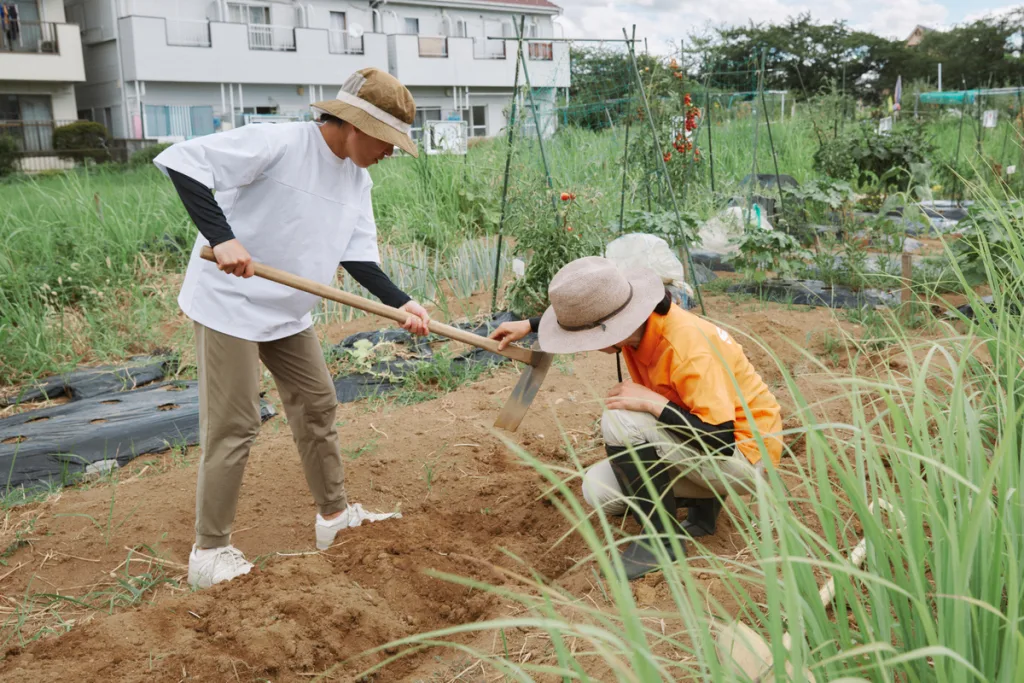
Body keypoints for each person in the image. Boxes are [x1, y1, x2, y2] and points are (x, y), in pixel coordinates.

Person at [154, 68, 431, 589]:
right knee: (236, 423)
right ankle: (210, 553)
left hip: (286, 308)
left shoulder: (357, 179)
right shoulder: (279, 142)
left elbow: (359, 259)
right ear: (354, 124)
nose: (392, 152)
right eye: (388, 139)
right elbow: (184, 162)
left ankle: (334, 518)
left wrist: (403, 303)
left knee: (317, 404)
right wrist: (223, 237)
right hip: (230, 302)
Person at [489, 257, 783, 580]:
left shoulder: (685, 346)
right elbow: (591, 308)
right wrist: (530, 326)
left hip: (745, 457)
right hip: (704, 444)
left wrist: (655, 404)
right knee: (597, 490)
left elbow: (720, 438)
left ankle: (661, 541)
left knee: (620, 418)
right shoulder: (636, 327)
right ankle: (704, 506)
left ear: (610, 331)